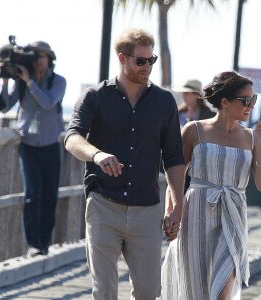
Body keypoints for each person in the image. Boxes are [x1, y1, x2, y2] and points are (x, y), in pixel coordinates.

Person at [64, 28, 185, 299]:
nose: (147, 67)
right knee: (104, 291)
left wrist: (178, 205)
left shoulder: (165, 101)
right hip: (104, 204)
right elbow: (72, 138)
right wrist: (96, 154)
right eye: (140, 61)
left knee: (147, 292)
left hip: (147, 210)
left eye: (150, 60)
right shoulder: (94, 97)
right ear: (122, 58)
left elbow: (174, 157)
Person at [160, 71, 261, 300]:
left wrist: (260, 145)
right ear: (225, 102)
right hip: (196, 214)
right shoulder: (194, 131)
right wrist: (171, 211)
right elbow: (176, 176)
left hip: (233, 216)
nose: (251, 106)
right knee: (195, 286)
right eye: (246, 101)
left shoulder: (252, 137)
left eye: (254, 101)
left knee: (223, 288)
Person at [0, 41, 66, 256]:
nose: (38, 61)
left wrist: (29, 82)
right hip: (28, 145)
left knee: (49, 195)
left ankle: (44, 242)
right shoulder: (21, 82)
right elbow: (3, 105)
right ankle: (33, 243)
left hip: (50, 145)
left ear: (50, 60)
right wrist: (5, 79)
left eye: (43, 57)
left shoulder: (58, 81)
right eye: (35, 56)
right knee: (32, 194)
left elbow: (47, 102)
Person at [173, 79, 216, 192]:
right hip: (177, 161)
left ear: (197, 95)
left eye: (187, 93)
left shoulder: (210, 116)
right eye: (183, 93)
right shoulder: (176, 113)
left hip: (200, 166)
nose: (184, 96)